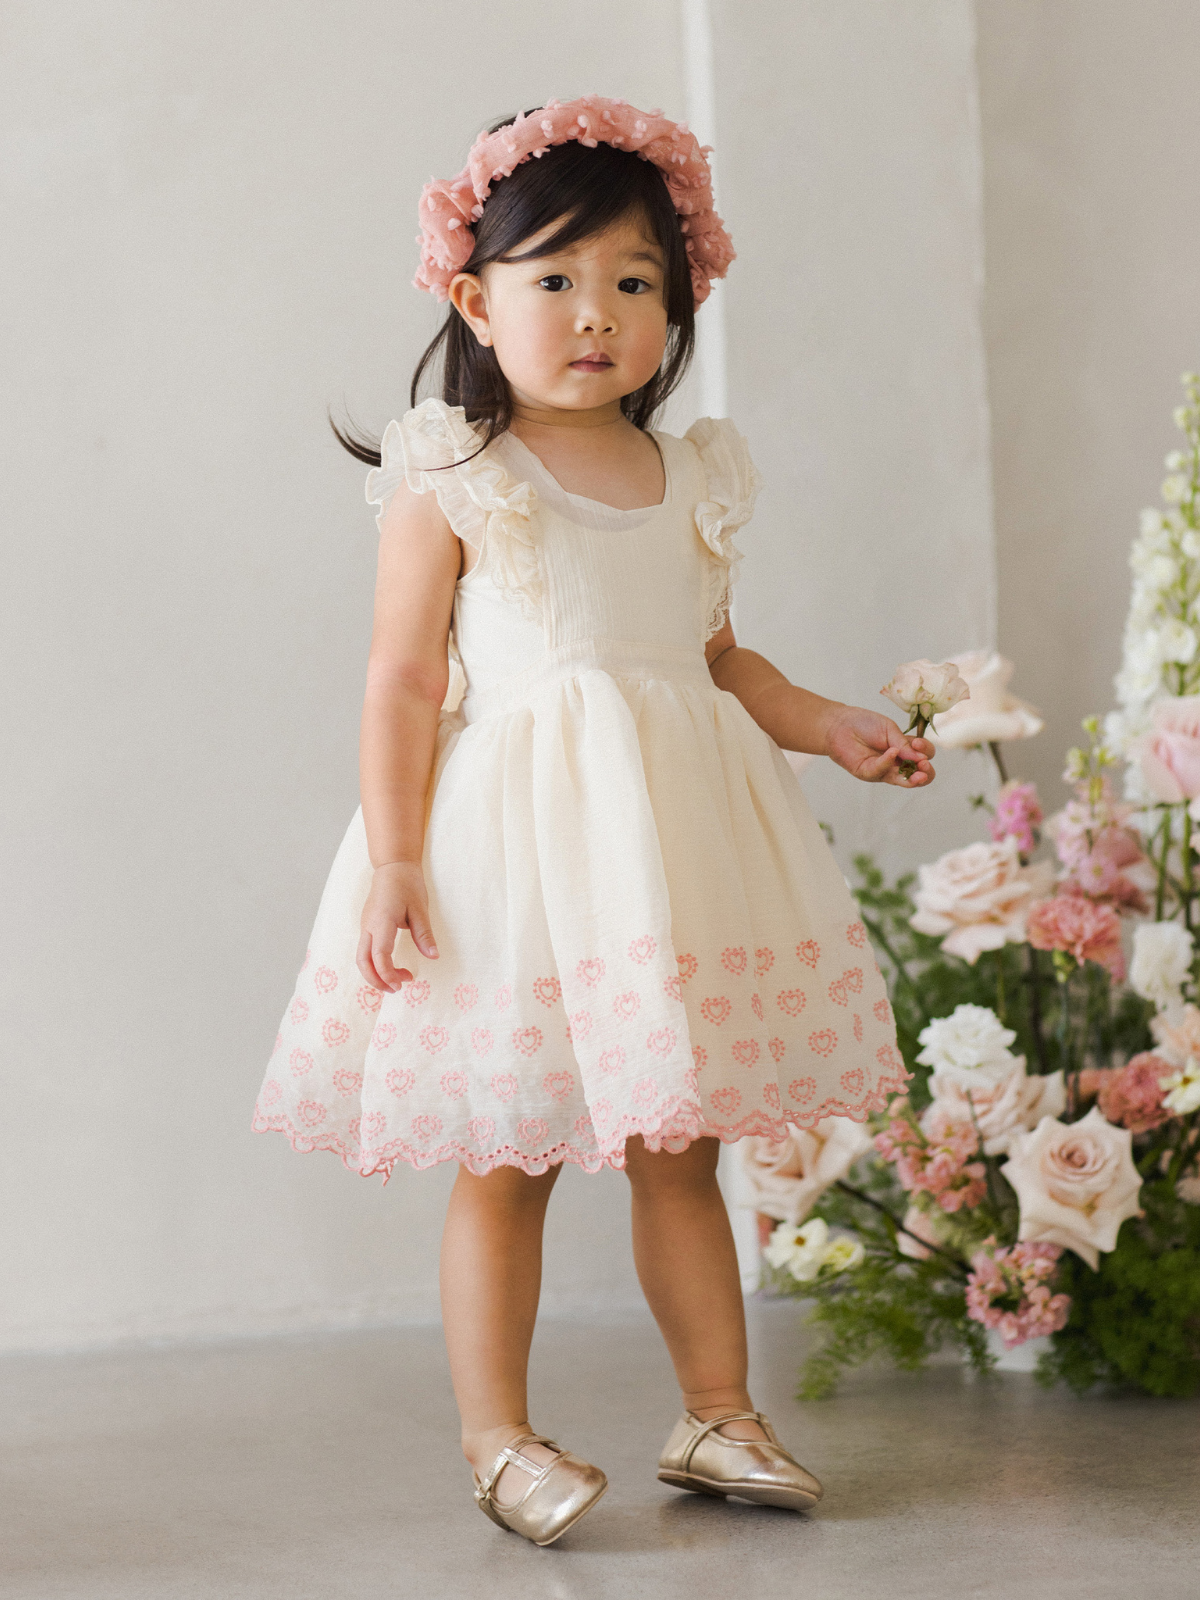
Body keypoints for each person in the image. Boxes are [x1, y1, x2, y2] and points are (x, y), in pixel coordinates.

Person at [254, 94, 933, 1546]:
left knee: (679, 1146)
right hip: (509, 862)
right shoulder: (457, 475)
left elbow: (716, 658)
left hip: (662, 859)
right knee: (504, 1160)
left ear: (675, 309)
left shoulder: (691, 475)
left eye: (634, 283)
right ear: (472, 298)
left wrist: (829, 724)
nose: (595, 314)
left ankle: (719, 1410)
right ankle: (499, 1439)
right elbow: (401, 679)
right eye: (553, 279)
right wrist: (391, 858)